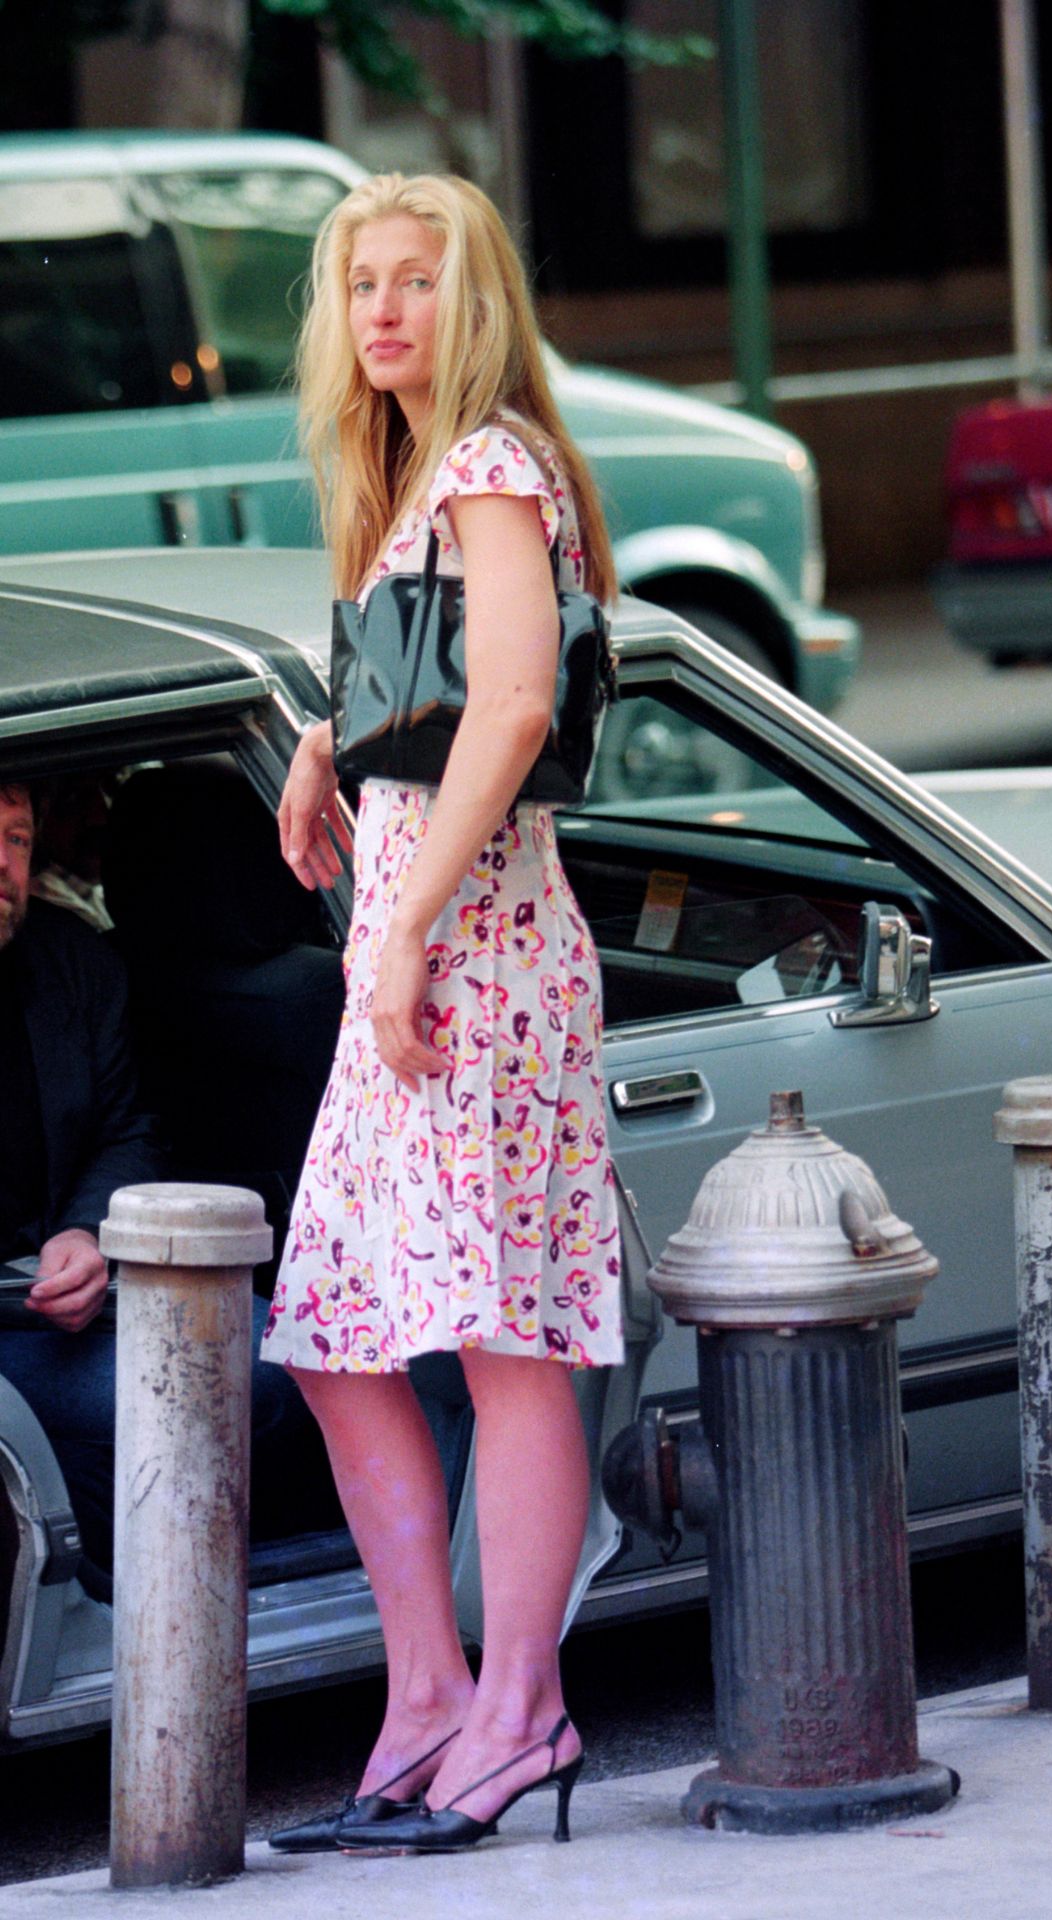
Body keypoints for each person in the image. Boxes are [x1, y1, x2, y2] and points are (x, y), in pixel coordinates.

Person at [264, 172, 623, 1856]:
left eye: (418, 281)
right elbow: (443, 680)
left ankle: (522, 1710)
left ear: (470, 302)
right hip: (408, 961)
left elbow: (522, 698)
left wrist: (401, 924)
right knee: (337, 1334)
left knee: (502, 1343)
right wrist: (331, 743)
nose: (386, 309)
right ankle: (428, 1697)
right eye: (363, 285)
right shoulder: (412, 477)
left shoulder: (488, 462)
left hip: (471, 960)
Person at [0, 777, 327, 1590]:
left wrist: (85, 1234)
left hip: (67, 1302)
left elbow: (125, 1129)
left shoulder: (75, 964)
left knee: (284, 1365)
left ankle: (83, 1506)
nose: (0, 864)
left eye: (12, 839)